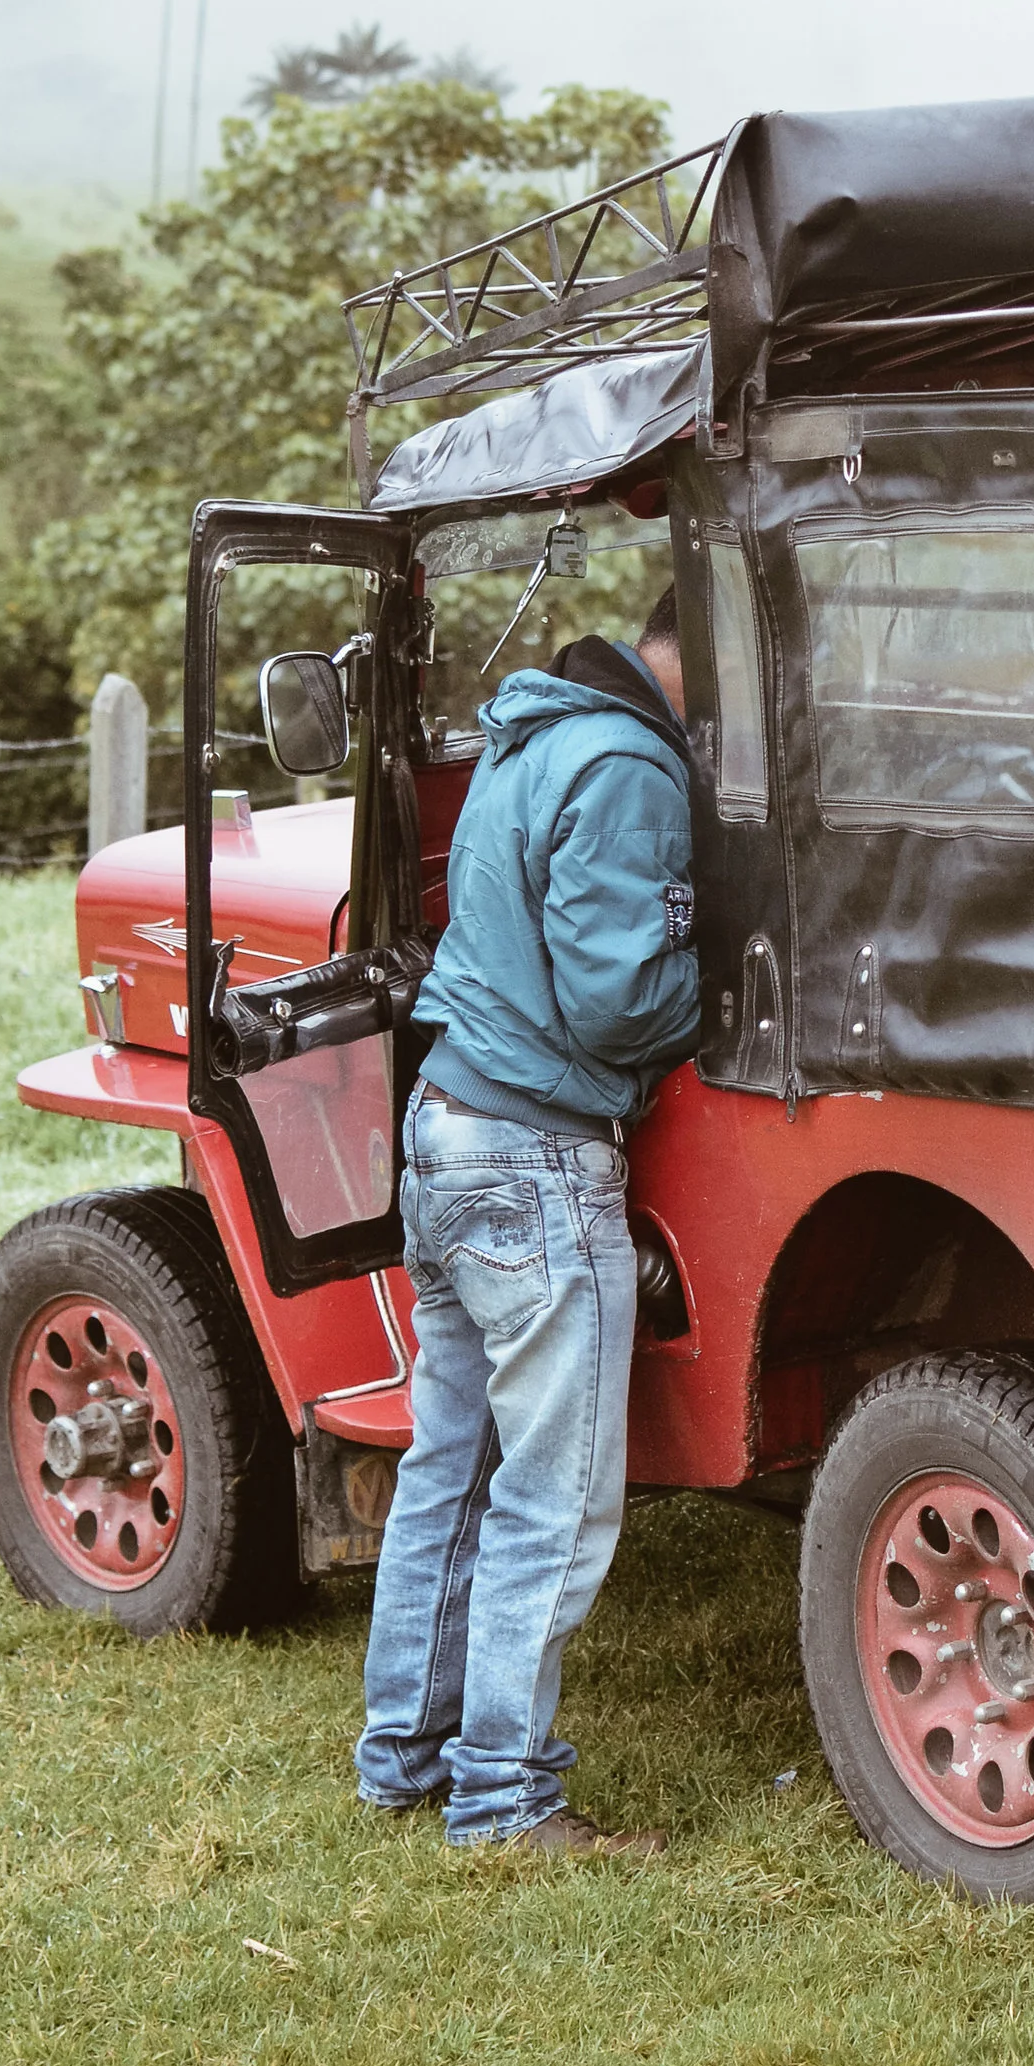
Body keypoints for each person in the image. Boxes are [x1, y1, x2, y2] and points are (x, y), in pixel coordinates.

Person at [356, 584, 702, 1854]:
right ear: (702, 656)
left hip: (446, 1132)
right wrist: (730, 979)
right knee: (554, 1499)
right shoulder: (630, 764)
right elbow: (621, 1003)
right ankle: (503, 1797)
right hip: (537, 1156)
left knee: (450, 1469)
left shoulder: (534, 731)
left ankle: (405, 1754)